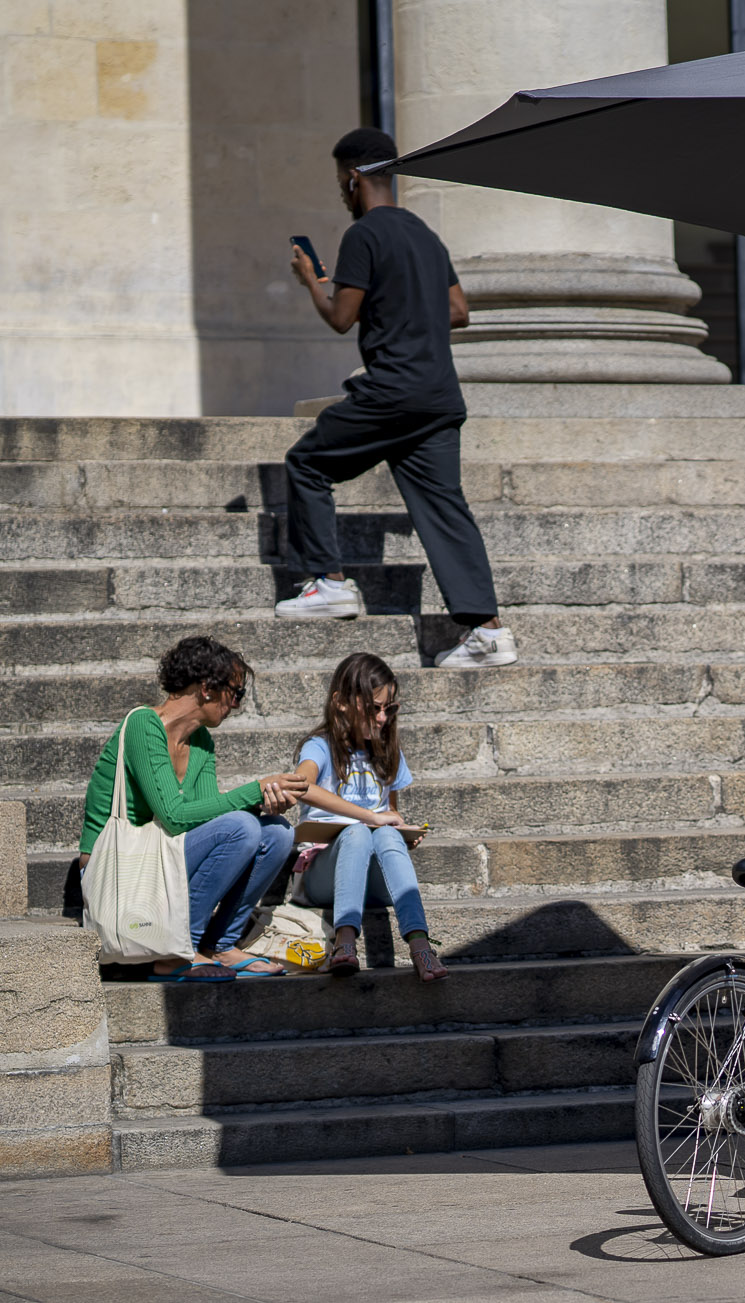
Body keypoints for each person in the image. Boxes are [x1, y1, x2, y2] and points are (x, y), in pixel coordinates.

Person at [281, 127, 518, 669]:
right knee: (443, 507)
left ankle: (329, 583)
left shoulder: (364, 236)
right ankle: (487, 631)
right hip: (438, 397)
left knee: (307, 463)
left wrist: (312, 282)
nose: (341, 192)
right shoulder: (427, 236)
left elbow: (342, 318)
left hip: (392, 392)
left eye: (340, 182)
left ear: (353, 177)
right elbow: (459, 311)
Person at [77, 637, 302, 982]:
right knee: (240, 826)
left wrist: (261, 802)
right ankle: (177, 952)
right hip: (121, 869)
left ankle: (220, 945)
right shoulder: (143, 724)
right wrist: (251, 790)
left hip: (163, 858)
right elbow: (174, 815)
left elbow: (206, 815)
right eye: (236, 693)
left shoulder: (201, 741)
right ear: (207, 688)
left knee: (277, 832)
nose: (237, 705)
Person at [290, 653, 446, 981]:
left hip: (376, 879)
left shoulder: (386, 750)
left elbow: (390, 813)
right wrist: (367, 818)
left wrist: (402, 830)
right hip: (323, 875)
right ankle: (344, 941)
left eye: (389, 709)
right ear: (341, 703)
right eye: (374, 708)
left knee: (387, 835)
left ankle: (421, 946)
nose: (382, 718)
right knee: (358, 832)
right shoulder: (321, 746)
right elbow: (300, 786)